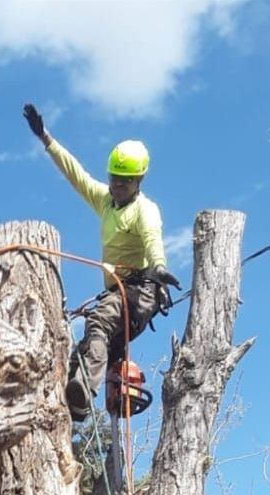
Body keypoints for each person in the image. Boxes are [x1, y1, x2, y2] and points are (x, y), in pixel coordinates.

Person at [22, 103, 181, 421]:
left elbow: (152, 238)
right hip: (116, 292)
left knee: (98, 324)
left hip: (140, 289)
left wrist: (159, 267)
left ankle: (83, 389)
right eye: (114, 178)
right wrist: (46, 138)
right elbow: (76, 175)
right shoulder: (105, 200)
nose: (117, 186)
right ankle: (73, 402)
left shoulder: (144, 210)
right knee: (89, 344)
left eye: (124, 181)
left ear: (139, 181)